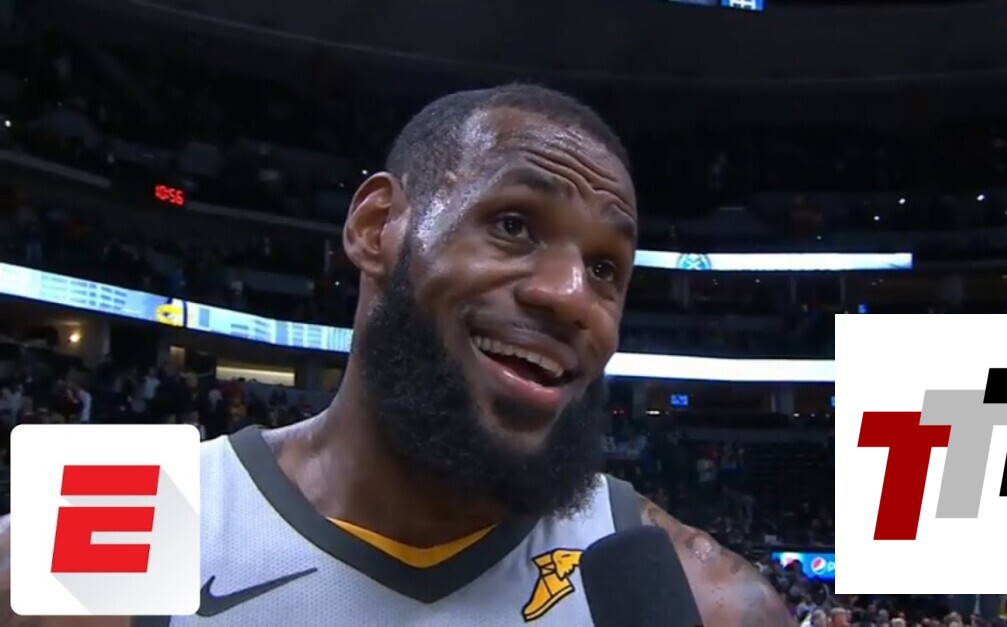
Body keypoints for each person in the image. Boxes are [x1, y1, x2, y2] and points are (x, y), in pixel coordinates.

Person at [0, 84, 793, 626]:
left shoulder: (693, 595)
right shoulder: (107, 518)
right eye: (513, 225)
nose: (569, 295)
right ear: (376, 225)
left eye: (606, 269)